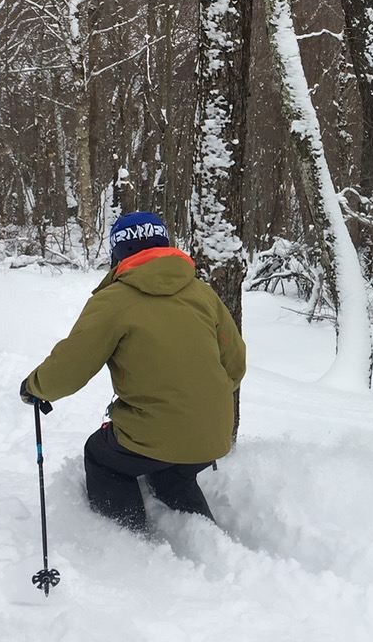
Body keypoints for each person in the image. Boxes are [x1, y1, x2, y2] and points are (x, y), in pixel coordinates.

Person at [20, 211, 246, 533]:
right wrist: (204, 400)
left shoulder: (115, 300)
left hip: (155, 434)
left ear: (118, 255)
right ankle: (207, 537)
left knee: (101, 457)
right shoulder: (202, 294)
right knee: (172, 469)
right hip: (214, 433)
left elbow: (72, 366)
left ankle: (129, 543)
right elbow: (235, 361)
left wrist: (35, 387)